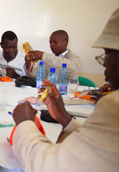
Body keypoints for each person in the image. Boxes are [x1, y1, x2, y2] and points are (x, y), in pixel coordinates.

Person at [12, 8, 119, 172]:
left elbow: (47, 165)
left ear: (65, 42)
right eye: (50, 42)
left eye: (107, 55)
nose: (103, 64)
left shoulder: (73, 58)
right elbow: (92, 145)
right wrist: (65, 118)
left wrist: (25, 123)